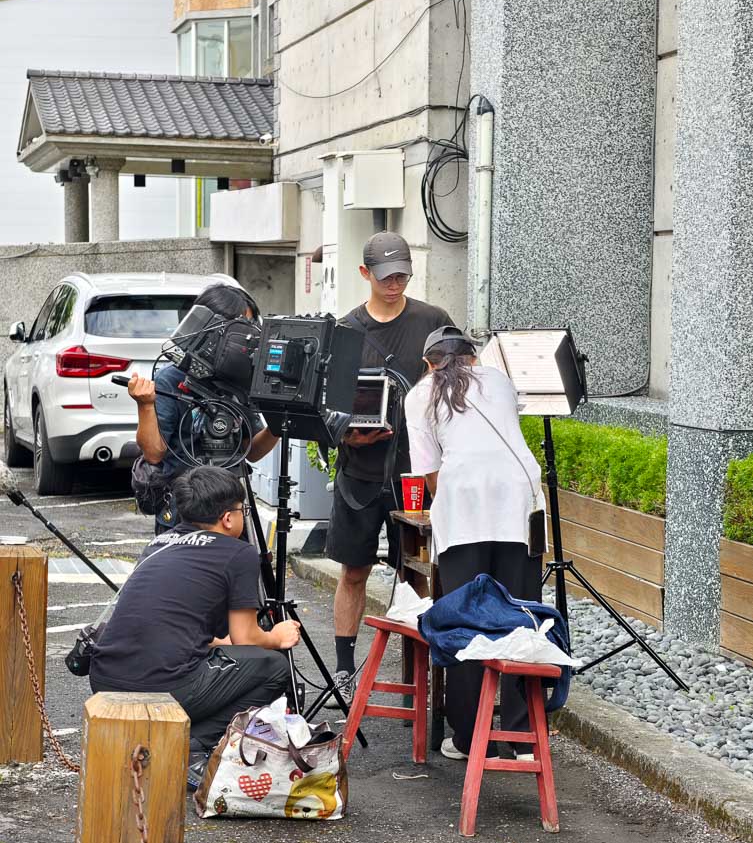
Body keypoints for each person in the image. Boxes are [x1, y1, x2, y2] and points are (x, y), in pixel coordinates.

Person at [90, 466, 300, 761]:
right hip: (164, 687)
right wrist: (276, 637)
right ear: (228, 518)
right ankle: (192, 745)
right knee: (273, 667)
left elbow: (175, 627)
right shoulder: (238, 553)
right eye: (243, 510)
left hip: (105, 679)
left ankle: (169, 736)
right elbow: (245, 637)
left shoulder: (158, 544)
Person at [404, 326, 546, 760]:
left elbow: (429, 470)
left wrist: (442, 506)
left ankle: (468, 737)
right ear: (472, 356)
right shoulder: (499, 381)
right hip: (520, 504)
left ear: (429, 363)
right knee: (522, 615)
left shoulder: (420, 395)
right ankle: (521, 736)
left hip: (464, 507)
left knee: (465, 617)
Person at [324, 232, 450, 704]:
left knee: (413, 573)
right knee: (353, 570)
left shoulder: (433, 322)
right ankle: (342, 668)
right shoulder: (345, 331)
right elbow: (326, 406)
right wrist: (346, 434)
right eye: (385, 276)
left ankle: (412, 677)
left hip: (415, 472)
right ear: (365, 275)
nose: (394, 284)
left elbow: (461, 376)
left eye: (402, 275)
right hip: (359, 471)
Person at [127, 282, 279, 533]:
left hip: (230, 509)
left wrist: (279, 424)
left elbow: (250, 451)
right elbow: (154, 453)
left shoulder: (239, 384)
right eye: (240, 328)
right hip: (182, 508)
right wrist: (145, 405)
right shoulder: (171, 378)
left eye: (252, 327)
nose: (248, 338)